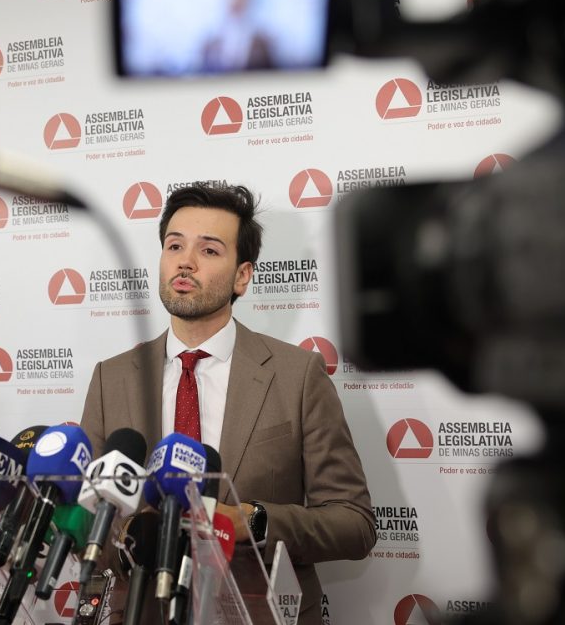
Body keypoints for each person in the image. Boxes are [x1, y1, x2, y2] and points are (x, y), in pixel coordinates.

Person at [80, 184, 375, 625]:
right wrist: (127, 539)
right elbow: (87, 521)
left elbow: (354, 524)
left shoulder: (298, 376)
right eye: (174, 246)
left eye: (209, 250)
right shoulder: (112, 378)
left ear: (242, 276)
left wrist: (250, 522)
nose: (185, 261)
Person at [201, 0, 275, 72]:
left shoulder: (262, 43)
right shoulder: (211, 44)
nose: (237, 9)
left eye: (241, 5)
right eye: (234, 5)